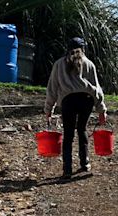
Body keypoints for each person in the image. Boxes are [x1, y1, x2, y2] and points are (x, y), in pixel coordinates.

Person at [44, 37, 107, 179]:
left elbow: (52, 88)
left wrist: (49, 109)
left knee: (68, 134)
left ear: (67, 49)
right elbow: (96, 89)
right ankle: (85, 163)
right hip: (86, 100)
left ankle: (67, 169)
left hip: (68, 101)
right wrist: (101, 110)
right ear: (83, 49)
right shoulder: (89, 64)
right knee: (82, 129)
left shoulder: (59, 64)